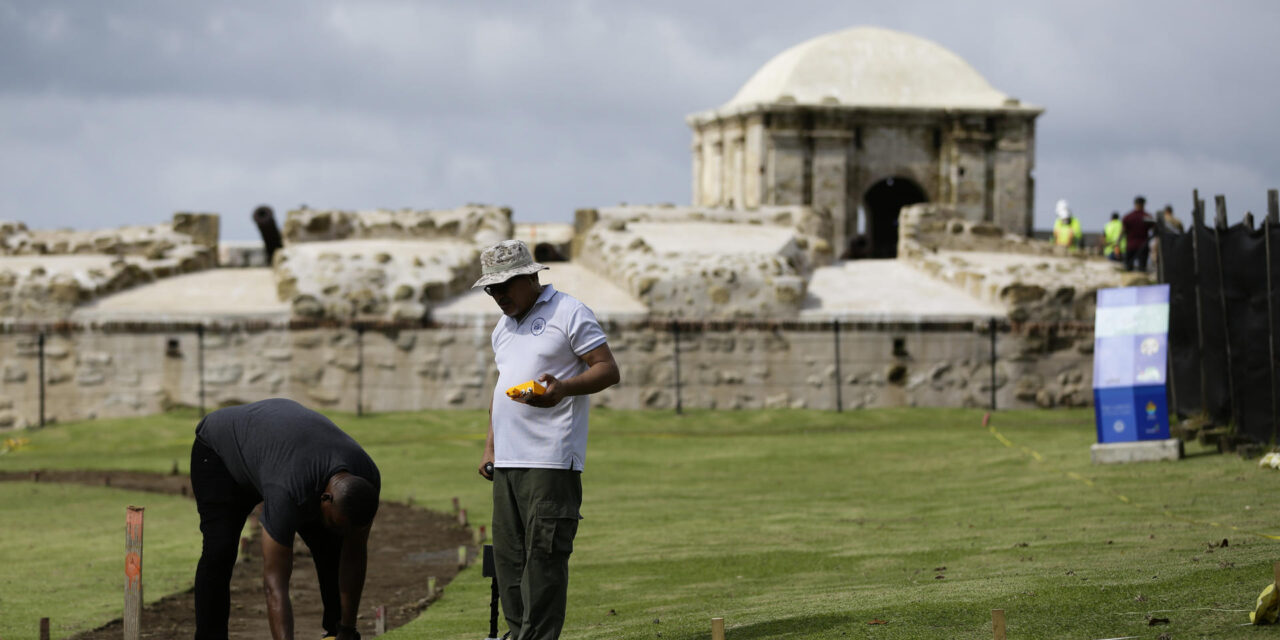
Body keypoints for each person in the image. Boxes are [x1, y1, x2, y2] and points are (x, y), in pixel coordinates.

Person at [474, 239, 620, 640]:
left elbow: (608, 369)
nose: (498, 296)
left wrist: (564, 389)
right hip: (508, 461)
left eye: (504, 286)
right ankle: (518, 633)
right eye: (491, 289)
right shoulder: (502, 328)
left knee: (544, 559)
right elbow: (500, 390)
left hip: (551, 460)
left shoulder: (569, 312)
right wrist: (490, 447)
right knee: (508, 560)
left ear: (530, 276)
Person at [191, 398, 380, 640]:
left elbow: (354, 554)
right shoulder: (288, 491)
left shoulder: (367, 479)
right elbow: (275, 583)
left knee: (333, 547)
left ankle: (336, 631)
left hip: (278, 454)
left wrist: (348, 629)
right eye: (333, 522)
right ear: (325, 498)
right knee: (220, 550)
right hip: (220, 453)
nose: (335, 528)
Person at [1122, 196, 1155, 272]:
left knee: (1128, 269)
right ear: (1143, 204)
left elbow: (1123, 231)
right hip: (1143, 246)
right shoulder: (1147, 217)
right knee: (1142, 269)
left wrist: (1117, 242)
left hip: (1130, 245)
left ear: (1135, 204)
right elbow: (1154, 230)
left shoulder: (1128, 217)